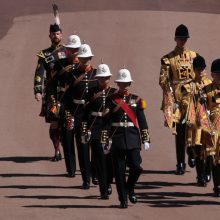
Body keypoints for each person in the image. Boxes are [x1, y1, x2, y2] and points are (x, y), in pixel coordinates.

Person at [102, 68, 150, 208]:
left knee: (136, 167)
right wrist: (105, 140)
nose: (124, 86)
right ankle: (123, 199)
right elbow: (106, 122)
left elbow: (142, 121)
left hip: (133, 139)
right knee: (119, 172)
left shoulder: (136, 99)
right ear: (118, 84)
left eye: (126, 83)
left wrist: (146, 138)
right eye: (121, 83)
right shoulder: (111, 100)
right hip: (117, 140)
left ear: (130, 83)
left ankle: (130, 188)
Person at [159, 24, 198, 174]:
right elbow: (163, 79)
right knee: (180, 131)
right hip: (176, 97)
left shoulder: (194, 56)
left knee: (194, 126)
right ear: (175, 39)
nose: (182, 41)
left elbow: (200, 75)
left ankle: (192, 153)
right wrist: (170, 96)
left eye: (184, 39)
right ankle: (180, 163)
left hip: (192, 95)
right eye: (180, 38)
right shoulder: (167, 59)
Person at [61, 43, 97, 188]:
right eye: (82, 58)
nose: (85, 60)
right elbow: (66, 99)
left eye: (87, 58)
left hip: (93, 116)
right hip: (79, 114)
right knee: (82, 147)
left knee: (96, 147)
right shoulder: (72, 75)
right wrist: (69, 116)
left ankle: (95, 173)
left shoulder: (97, 75)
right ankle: (86, 179)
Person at [84, 63, 116, 199]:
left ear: (109, 78)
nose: (103, 80)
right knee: (99, 159)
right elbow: (85, 113)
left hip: (110, 130)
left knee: (110, 160)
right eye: (101, 78)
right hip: (95, 127)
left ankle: (108, 182)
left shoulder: (114, 93)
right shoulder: (90, 92)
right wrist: (85, 130)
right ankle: (103, 189)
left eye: (106, 78)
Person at [34, 23, 63, 161]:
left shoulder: (68, 51)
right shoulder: (44, 54)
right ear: (49, 36)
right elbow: (39, 73)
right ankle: (57, 151)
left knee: (70, 121)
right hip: (52, 93)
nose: (55, 36)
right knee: (55, 122)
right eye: (53, 34)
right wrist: (38, 90)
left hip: (67, 92)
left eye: (57, 34)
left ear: (61, 35)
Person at [183, 56, 212, 186]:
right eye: (198, 69)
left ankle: (208, 171)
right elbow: (184, 100)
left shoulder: (209, 84)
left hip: (210, 122)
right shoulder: (189, 85)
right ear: (194, 69)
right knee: (199, 149)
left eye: (202, 69)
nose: (200, 71)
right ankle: (200, 176)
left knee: (210, 150)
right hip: (195, 123)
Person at [202, 59, 220, 196]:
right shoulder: (205, 90)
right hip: (213, 128)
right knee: (214, 157)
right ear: (212, 74)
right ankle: (217, 185)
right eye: (217, 74)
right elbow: (200, 112)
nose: (219, 77)